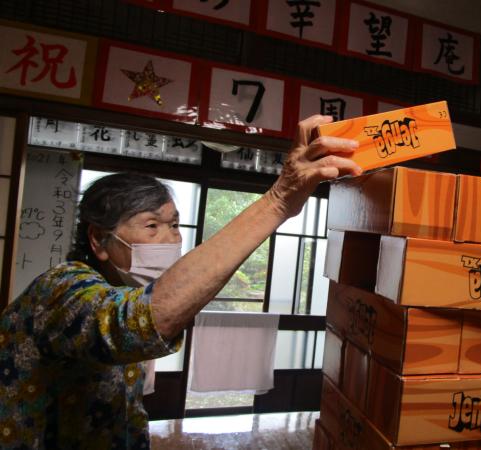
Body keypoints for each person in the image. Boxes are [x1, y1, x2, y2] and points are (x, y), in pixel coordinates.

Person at [0, 115, 362, 449]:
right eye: (151, 225)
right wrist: (279, 200)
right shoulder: (60, 289)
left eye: (174, 225)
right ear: (98, 239)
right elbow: (137, 322)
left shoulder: (122, 287)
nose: (171, 238)